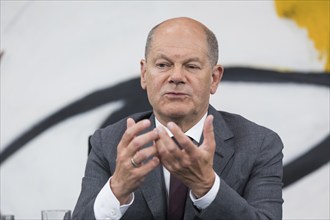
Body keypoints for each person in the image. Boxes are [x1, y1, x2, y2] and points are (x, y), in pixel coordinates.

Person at [72, 17, 283, 220]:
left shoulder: (260, 144)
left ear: (214, 78)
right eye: (163, 65)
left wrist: (207, 187)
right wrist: (116, 189)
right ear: (144, 74)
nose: (176, 77)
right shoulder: (107, 142)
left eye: (191, 66)